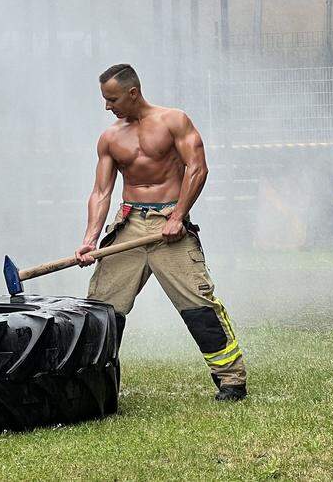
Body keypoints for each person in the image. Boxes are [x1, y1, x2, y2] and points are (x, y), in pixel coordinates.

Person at [76, 64, 247, 401]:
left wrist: (178, 217)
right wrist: (89, 239)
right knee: (102, 309)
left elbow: (197, 168)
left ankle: (231, 379)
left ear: (132, 93)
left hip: (169, 223)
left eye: (111, 99)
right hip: (129, 226)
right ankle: (94, 384)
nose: (107, 107)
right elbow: (101, 192)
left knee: (198, 304)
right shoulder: (110, 138)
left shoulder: (174, 121)